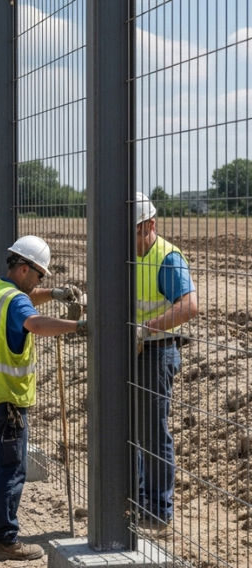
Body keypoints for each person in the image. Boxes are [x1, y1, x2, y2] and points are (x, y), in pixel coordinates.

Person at [0, 235, 85, 561]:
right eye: (40, 276)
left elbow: (26, 300)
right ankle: (4, 540)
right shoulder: (16, 302)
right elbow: (33, 320)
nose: (40, 281)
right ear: (25, 268)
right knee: (10, 468)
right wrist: (78, 326)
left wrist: (56, 294)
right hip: (7, 401)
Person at [133, 191, 197, 535]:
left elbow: (189, 305)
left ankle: (158, 512)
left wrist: (147, 329)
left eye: (132, 231)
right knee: (132, 431)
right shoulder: (125, 252)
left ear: (150, 225)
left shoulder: (166, 258)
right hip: (130, 352)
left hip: (156, 352)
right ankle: (137, 500)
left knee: (153, 433)